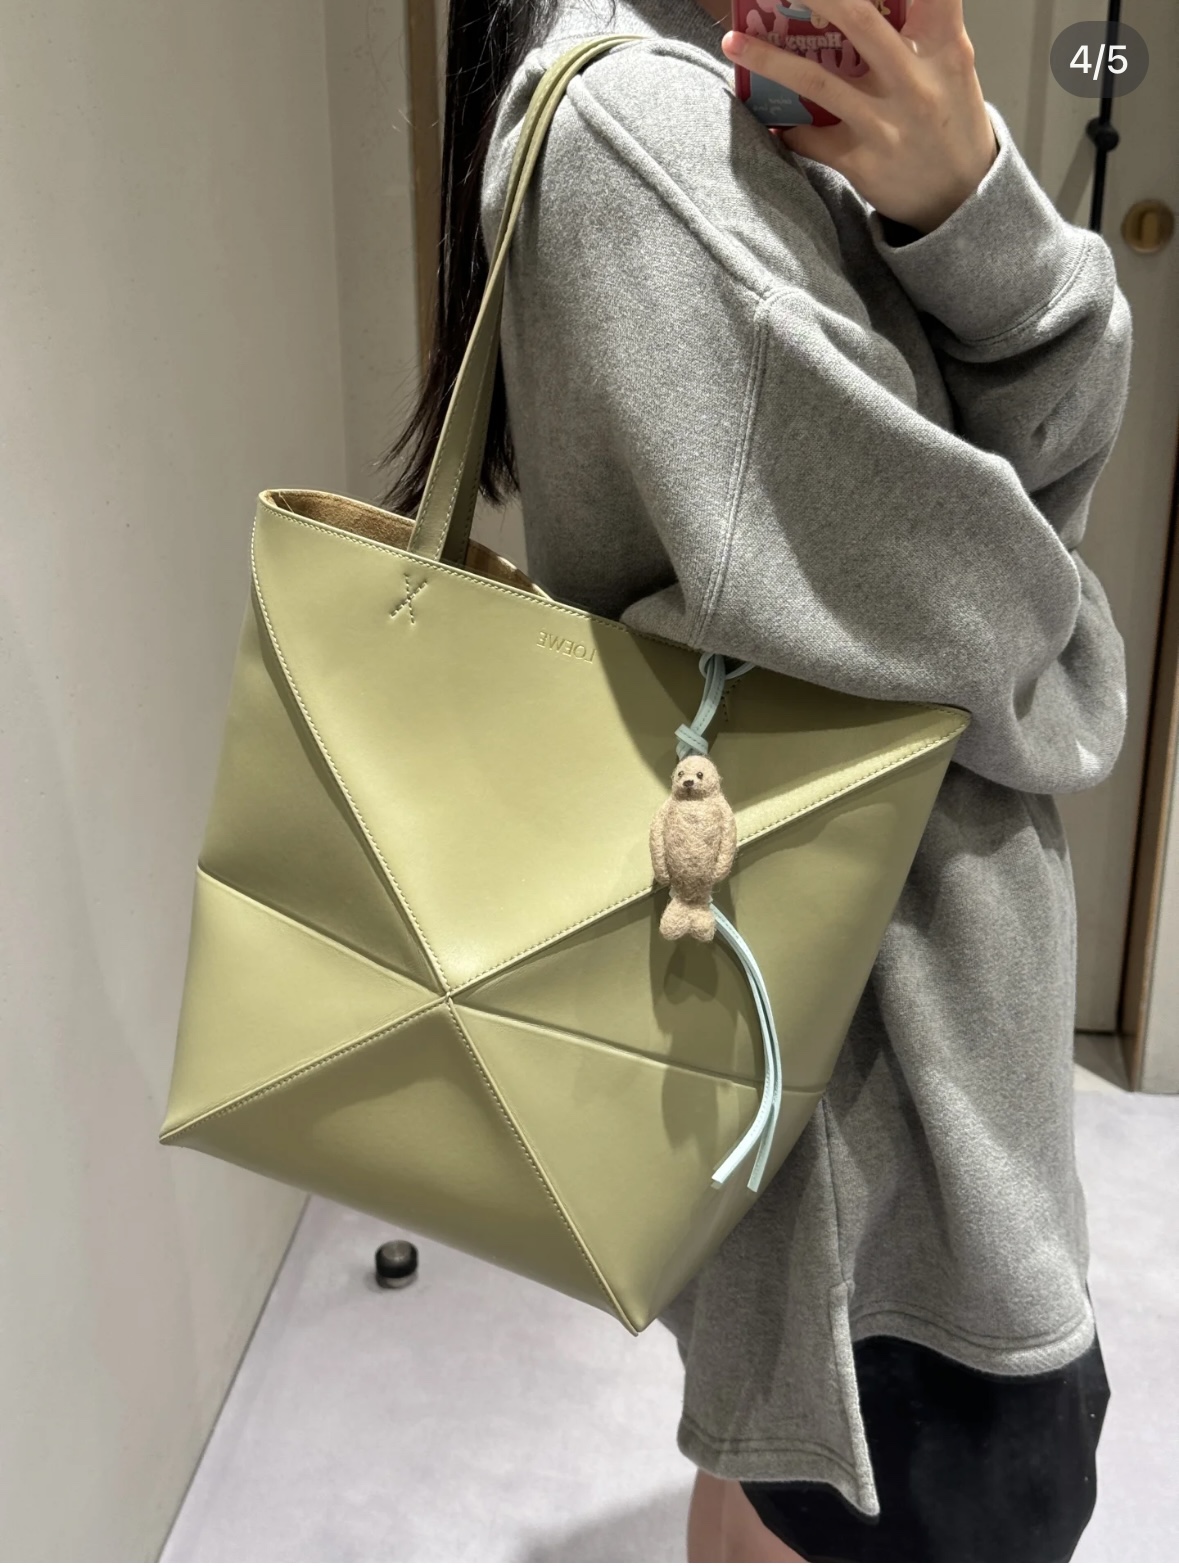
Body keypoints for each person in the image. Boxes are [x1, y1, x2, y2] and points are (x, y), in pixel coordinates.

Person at [379, 0, 1130, 1558]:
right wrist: (1000, 277)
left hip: (848, 1079)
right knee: (922, 1478)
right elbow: (1020, 636)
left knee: (767, 1488)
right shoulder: (654, 144)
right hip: (895, 1135)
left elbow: (1012, 493)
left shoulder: (725, 108)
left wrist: (967, 206)